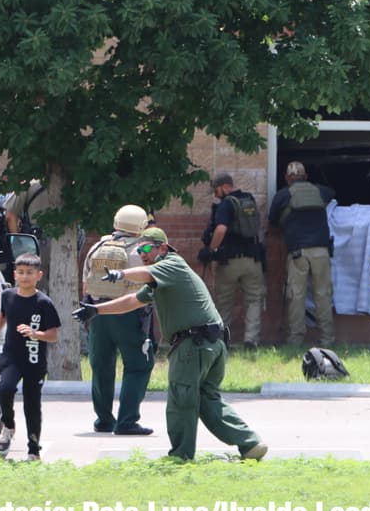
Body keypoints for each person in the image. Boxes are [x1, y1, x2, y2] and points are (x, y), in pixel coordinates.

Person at [72, 227, 267, 461]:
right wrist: (97, 310)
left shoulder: (171, 264)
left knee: (181, 400)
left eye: (146, 248)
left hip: (193, 344)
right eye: (138, 249)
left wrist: (121, 275)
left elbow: (144, 273)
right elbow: (132, 301)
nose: (142, 253)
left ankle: (180, 456)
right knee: (207, 400)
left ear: (162, 248)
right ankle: (250, 443)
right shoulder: (162, 277)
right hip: (210, 344)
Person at [81, 204, 155, 435]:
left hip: (98, 313)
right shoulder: (140, 251)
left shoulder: (97, 247)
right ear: (141, 225)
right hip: (128, 313)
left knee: (101, 366)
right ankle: (127, 421)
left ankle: (104, 420)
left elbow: (86, 284)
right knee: (138, 366)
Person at [0, 252, 60, 460]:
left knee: (32, 405)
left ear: (39, 275)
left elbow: (53, 335)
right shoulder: (8, 296)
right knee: (5, 389)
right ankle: (8, 426)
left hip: (34, 361)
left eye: (29, 273)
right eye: (20, 272)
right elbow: (2, 316)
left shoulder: (43, 302)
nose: (24, 276)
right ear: (15, 274)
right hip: (11, 356)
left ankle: (33, 450)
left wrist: (35, 334)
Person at [267, 160, 336, 347]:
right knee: (322, 294)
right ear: (306, 176)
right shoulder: (320, 191)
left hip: (298, 252)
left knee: (296, 296)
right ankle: (327, 339)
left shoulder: (282, 195)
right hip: (321, 251)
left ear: (287, 178)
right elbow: (332, 193)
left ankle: (295, 340)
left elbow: (272, 221)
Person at [202, 173, 266, 348]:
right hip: (253, 260)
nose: (215, 195)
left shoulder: (226, 204)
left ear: (224, 187)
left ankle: (222, 340)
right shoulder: (249, 200)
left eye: (216, 190)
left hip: (229, 261)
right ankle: (251, 340)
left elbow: (221, 229)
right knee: (254, 299)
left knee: (224, 301)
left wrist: (211, 249)